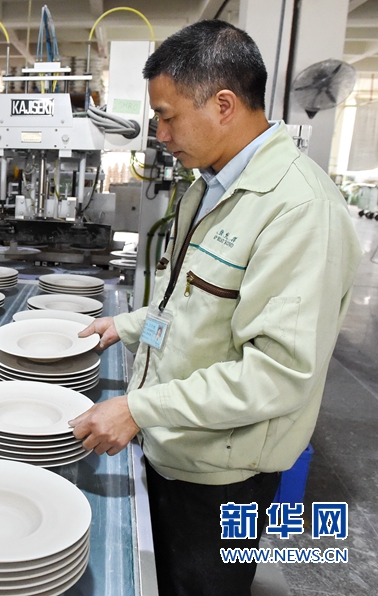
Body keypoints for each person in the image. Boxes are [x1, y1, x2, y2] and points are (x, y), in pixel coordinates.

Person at [68, 20, 363, 596]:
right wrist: (127, 324)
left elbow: (277, 376)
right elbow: (191, 303)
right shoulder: (209, 186)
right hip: (175, 443)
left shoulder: (300, 210)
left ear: (223, 105)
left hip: (223, 478)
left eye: (167, 116)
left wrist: (138, 409)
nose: (160, 133)